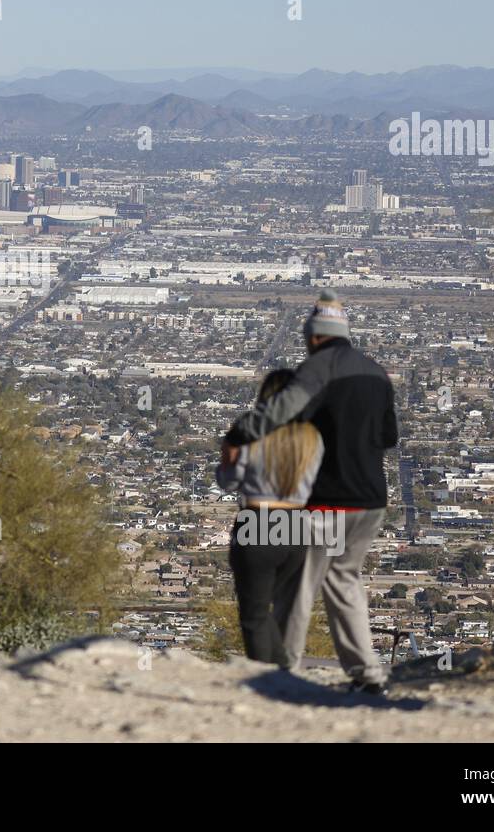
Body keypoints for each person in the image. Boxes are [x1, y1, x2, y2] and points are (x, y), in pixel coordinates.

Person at [222, 289, 398, 693]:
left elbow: (279, 411)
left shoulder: (318, 368)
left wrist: (238, 434)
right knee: (345, 581)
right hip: (371, 500)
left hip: (328, 501)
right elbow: (388, 436)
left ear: (315, 336)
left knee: (297, 591)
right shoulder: (376, 372)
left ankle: (284, 674)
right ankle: (368, 675)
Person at [217, 368, 323, 667]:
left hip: (258, 521)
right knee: (269, 613)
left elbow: (229, 481)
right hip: (297, 527)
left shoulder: (251, 431)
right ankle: (283, 675)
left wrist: (228, 456)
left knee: (254, 614)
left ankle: (272, 681)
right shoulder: (312, 437)